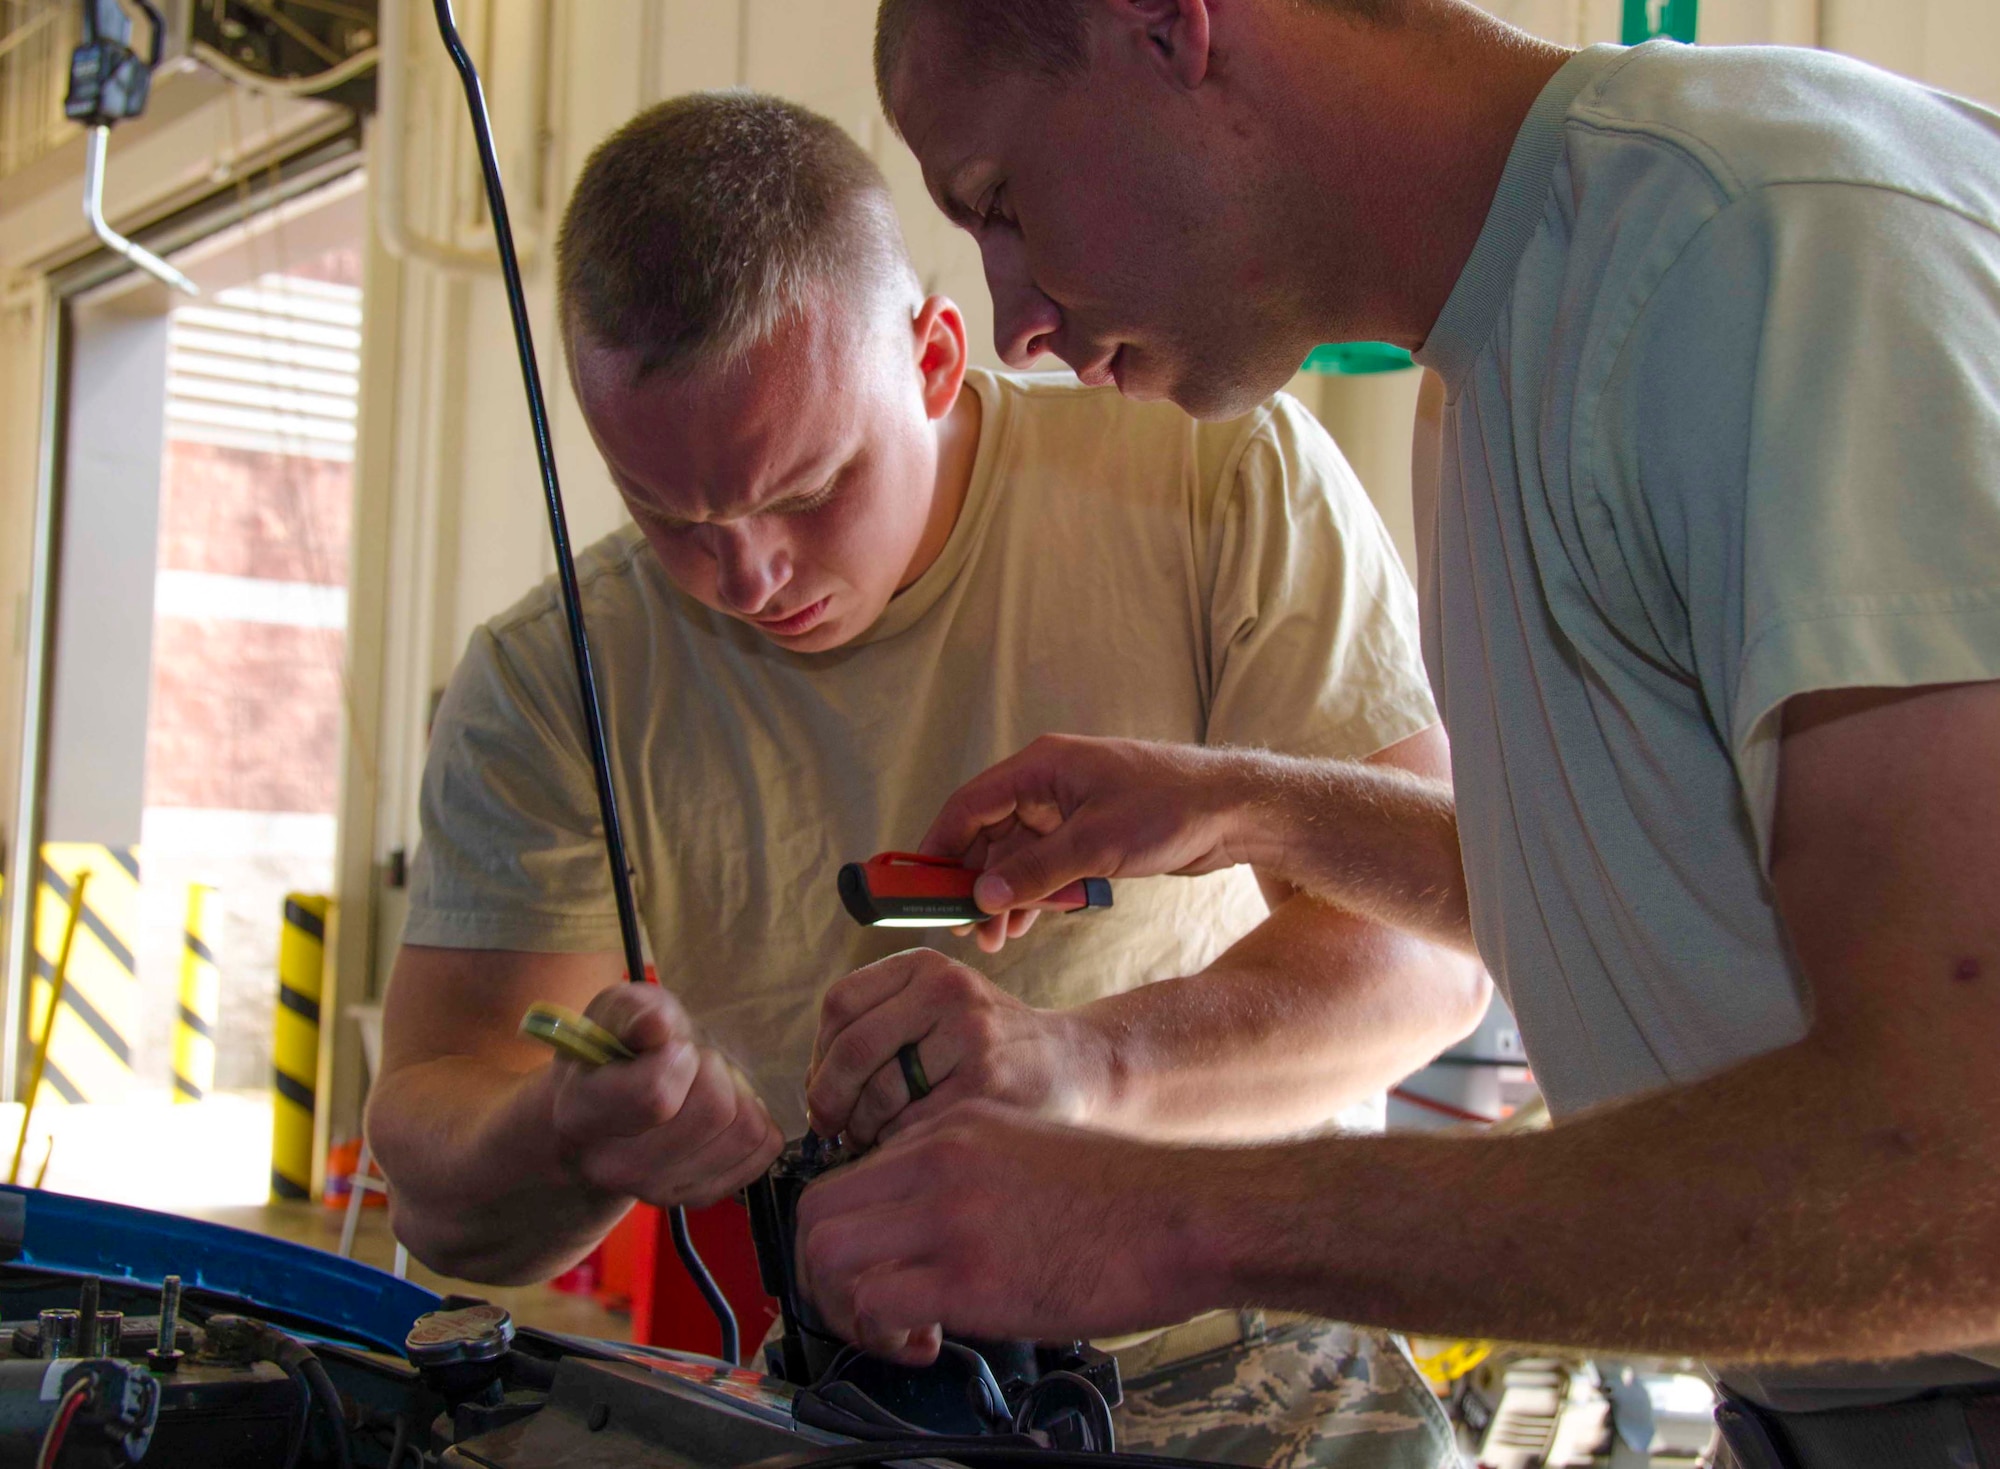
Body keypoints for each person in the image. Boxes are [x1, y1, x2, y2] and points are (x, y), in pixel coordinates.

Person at [794, 2, 2000, 1464]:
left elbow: (1963, 1160)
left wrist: (1159, 1218)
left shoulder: (1758, 250)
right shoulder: (1503, 354)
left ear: (1168, 29)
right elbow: (1688, 893)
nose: (1018, 324)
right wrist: (1248, 812)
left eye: (1000, 203)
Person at [366, 91, 1485, 1468]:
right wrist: (566, 1127)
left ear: (937, 357)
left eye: (810, 486)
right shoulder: (554, 680)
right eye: (670, 515)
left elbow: (1430, 960)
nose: (749, 572)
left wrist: (1085, 1062)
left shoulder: (1213, 480)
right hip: (864, 1394)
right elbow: (438, 1168)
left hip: (1252, 1345)